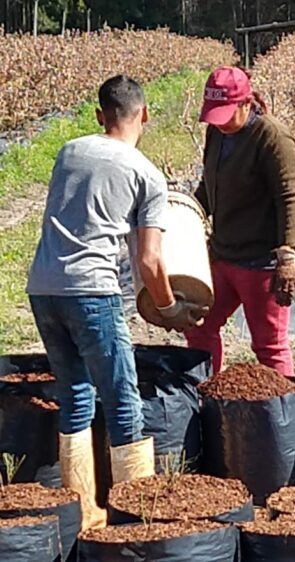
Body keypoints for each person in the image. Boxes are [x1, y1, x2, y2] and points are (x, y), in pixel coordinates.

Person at [26, 75, 204, 530]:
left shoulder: (69, 151)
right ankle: (137, 522)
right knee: (123, 402)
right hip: (92, 293)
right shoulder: (146, 174)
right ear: (144, 114)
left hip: (44, 289)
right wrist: (169, 310)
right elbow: (148, 260)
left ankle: (83, 515)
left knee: (75, 396)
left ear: (100, 115)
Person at [186, 66, 295, 377]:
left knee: (268, 345)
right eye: (214, 114)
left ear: (246, 104)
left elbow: (290, 198)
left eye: (226, 114)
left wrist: (288, 257)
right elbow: (209, 187)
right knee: (199, 325)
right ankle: (205, 396)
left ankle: (281, 417)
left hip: (261, 263)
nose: (219, 122)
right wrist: (187, 211)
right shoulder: (216, 131)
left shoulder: (272, 137)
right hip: (224, 256)